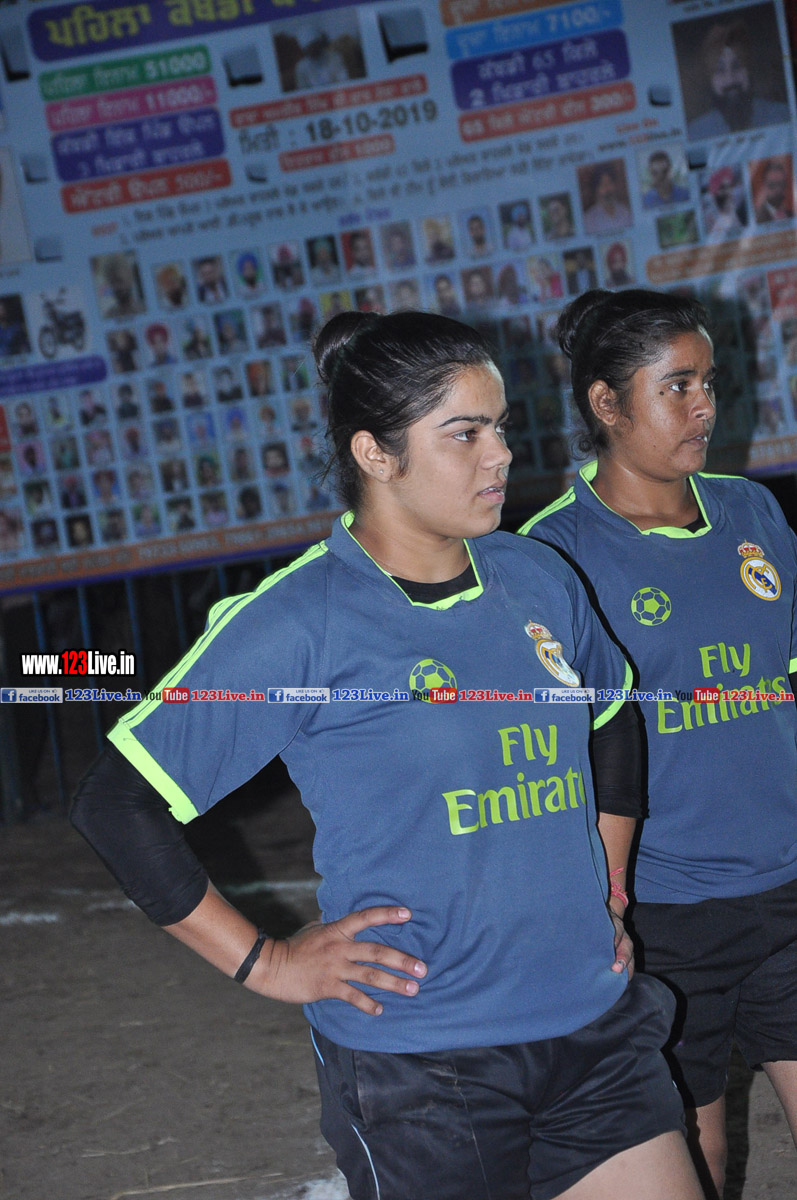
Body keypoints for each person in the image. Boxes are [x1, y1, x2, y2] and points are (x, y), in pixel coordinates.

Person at [71, 309, 705, 1200]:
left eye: (500, 428)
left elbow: (611, 718)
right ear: (374, 453)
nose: (500, 455)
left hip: (593, 1028)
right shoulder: (298, 621)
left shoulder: (536, 577)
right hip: (424, 1067)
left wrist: (607, 888)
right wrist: (268, 963)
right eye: (464, 434)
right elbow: (117, 804)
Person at [521, 288, 797, 1198]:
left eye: (707, 382)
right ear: (606, 403)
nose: (703, 406)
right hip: (663, 913)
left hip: (787, 886)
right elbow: (549, 745)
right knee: (697, 1162)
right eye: (675, 386)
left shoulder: (750, 513)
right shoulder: (550, 555)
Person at [687, 17, 790, 139]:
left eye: (737, 66)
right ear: (709, 78)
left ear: (749, 69)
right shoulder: (695, 133)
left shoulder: (784, 116)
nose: (730, 79)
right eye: (720, 70)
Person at [754, 159, 794, 224]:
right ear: (764, 186)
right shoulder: (756, 218)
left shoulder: (792, 215)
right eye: (772, 185)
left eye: (781, 184)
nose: (777, 189)